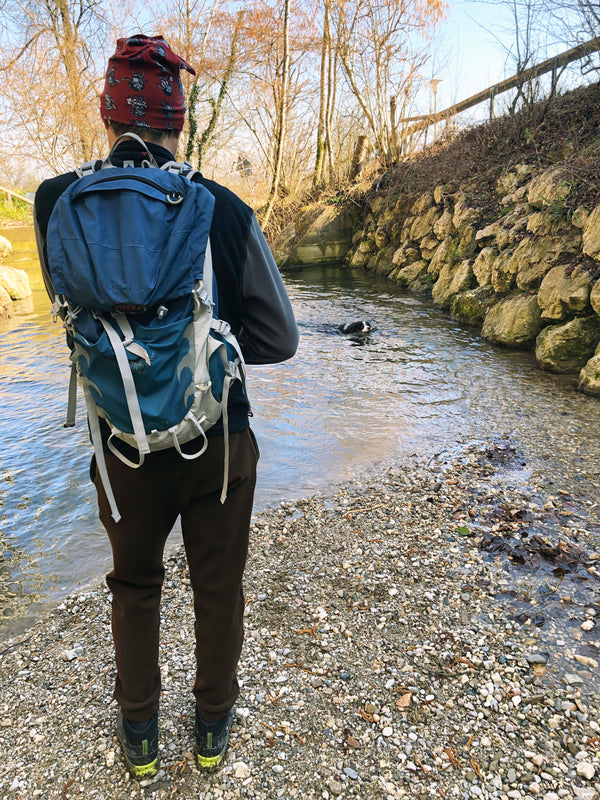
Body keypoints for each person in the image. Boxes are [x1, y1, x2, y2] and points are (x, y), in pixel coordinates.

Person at [34, 34, 299, 779]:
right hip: (217, 438)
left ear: (107, 114)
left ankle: (141, 738)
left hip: (119, 441)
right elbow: (280, 337)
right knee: (217, 585)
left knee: (134, 585)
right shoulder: (220, 206)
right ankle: (212, 727)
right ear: (177, 120)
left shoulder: (57, 201)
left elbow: (72, 319)